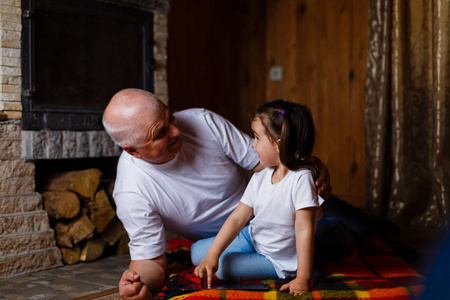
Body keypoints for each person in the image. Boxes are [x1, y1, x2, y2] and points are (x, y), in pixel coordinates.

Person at [102, 89, 333, 300]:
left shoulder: (203, 121)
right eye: (161, 132)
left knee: (342, 231)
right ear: (133, 150)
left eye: (170, 116)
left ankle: (316, 246)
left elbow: (271, 163)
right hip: (248, 232)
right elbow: (149, 260)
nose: (176, 130)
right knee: (198, 254)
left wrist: (310, 166)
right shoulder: (131, 190)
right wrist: (138, 283)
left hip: (282, 209)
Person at [192, 100, 322, 296]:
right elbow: (237, 218)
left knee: (224, 269)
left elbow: (304, 229)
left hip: (275, 258)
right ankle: (226, 254)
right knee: (197, 253)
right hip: (253, 237)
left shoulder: (301, 180)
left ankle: (307, 264)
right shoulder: (260, 177)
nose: (253, 143)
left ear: (278, 145)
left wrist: (303, 278)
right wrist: (212, 254)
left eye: (257, 137)